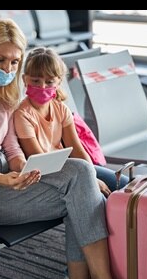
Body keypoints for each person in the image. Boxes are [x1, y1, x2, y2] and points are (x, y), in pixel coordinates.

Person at [0, 18, 128, 279]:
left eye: (15, 62)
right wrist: (6, 179)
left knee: (80, 176)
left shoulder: (5, 89)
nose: (8, 68)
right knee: (81, 191)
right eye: (1, 59)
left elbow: (10, 148)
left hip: (8, 173)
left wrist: (23, 168)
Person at [14, 46, 129, 199]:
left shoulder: (61, 109)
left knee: (125, 185)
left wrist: (92, 175)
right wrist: (90, 180)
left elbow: (77, 149)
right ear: (24, 79)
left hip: (69, 166)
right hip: (45, 174)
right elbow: (40, 161)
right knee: (98, 196)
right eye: (35, 81)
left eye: (49, 82)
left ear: (59, 81)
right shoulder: (22, 114)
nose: (42, 87)